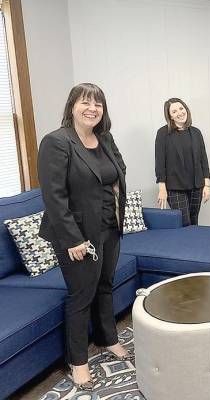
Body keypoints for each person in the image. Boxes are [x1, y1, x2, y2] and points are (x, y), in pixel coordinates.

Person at [38, 83, 131, 391]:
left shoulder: (105, 137)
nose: (92, 108)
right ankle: (78, 362)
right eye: (85, 103)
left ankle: (107, 339)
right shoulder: (56, 142)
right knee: (81, 296)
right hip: (77, 236)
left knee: (104, 286)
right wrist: (73, 239)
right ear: (72, 106)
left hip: (108, 227)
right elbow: (54, 196)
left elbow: (119, 169)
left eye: (98, 104)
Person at [155, 98, 210, 225]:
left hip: (197, 185)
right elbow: (160, 163)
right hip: (175, 188)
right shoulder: (163, 133)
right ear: (170, 116)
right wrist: (162, 189)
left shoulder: (196, 133)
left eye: (181, 108)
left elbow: (204, 160)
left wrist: (207, 185)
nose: (179, 113)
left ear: (186, 109)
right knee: (184, 223)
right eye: (174, 111)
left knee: (194, 221)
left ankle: (195, 246)